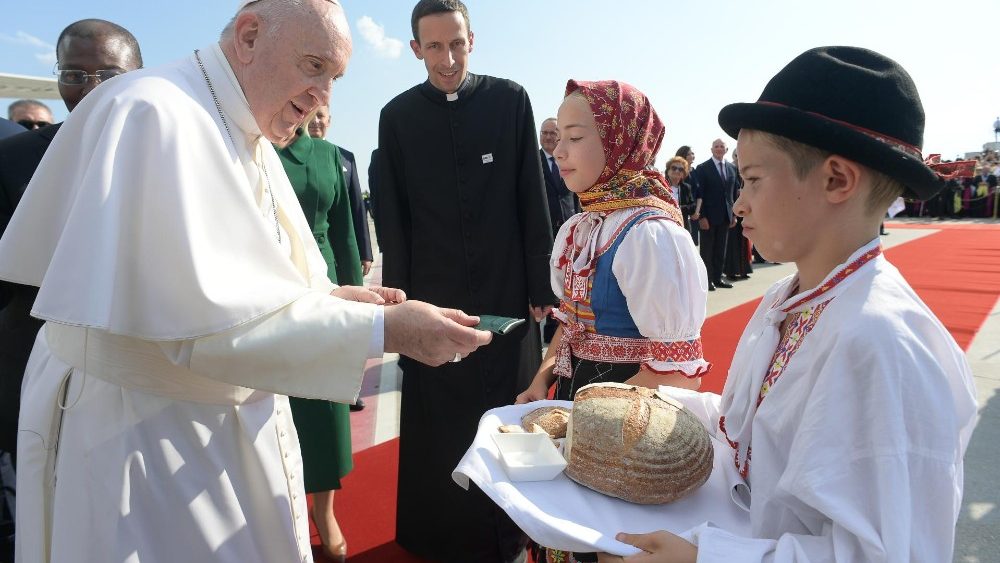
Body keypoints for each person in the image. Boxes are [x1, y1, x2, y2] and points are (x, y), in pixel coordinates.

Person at [0, 1, 494, 561]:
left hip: (205, 427)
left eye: (333, 78)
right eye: (313, 66)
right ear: (250, 35)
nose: (322, 97)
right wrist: (385, 331)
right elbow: (201, 324)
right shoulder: (154, 113)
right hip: (140, 440)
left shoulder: (242, 123)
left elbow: (252, 285)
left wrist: (331, 298)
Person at [598, 46, 977, 563]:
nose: (739, 202)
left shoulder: (882, 344)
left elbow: (889, 553)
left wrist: (702, 557)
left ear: (836, 180)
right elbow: (750, 432)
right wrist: (650, 405)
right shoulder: (788, 298)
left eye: (753, 179)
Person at [375, 0, 556, 560]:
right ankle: (442, 538)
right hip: (433, 299)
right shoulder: (397, 117)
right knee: (442, 426)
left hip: (506, 293)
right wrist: (400, 310)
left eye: (456, 43)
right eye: (434, 46)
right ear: (415, 50)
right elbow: (395, 219)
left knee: (508, 415)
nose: (447, 58)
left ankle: (516, 532)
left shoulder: (510, 101)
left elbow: (532, 195)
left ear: (471, 40)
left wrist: (540, 287)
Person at [515, 80, 710, 563]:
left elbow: (672, 368)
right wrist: (541, 381)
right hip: (584, 405)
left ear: (620, 140)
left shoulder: (650, 234)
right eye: (558, 136)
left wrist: (592, 433)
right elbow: (572, 324)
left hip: (631, 432)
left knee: (606, 543)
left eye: (575, 137)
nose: (559, 150)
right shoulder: (583, 225)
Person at [0, 18, 144, 466]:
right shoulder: (14, 158)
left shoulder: (174, 156)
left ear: (140, 76)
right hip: (41, 369)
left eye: (108, 75)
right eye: (74, 74)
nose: (90, 88)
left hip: (141, 371)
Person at [274, 115, 362, 562]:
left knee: (326, 412)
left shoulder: (331, 155)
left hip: (324, 289)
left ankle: (324, 510)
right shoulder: (252, 145)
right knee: (278, 405)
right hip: (268, 289)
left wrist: (357, 313)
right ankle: (281, 506)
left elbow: (345, 234)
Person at [306, 105, 375, 278]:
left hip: (343, 246)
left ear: (329, 120)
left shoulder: (345, 157)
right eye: (311, 115)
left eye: (320, 116)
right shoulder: (291, 154)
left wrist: (365, 252)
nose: (315, 121)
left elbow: (356, 207)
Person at [540, 116, 579, 344]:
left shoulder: (569, 160)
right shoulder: (532, 160)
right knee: (549, 278)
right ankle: (550, 329)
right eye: (544, 133)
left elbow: (573, 195)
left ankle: (566, 324)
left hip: (568, 230)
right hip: (544, 232)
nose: (548, 137)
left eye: (552, 133)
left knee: (567, 279)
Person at [691, 139, 738, 290]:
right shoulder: (703, 168)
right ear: (711, 149)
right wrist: (702, 216)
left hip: (725, 216)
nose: (719, 149)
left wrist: (734, 215)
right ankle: (707, 280)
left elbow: (733, 194)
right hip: (708, 217)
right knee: (707, 251)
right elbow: (699, 194)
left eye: (721, 146)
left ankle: (718, 278)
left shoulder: (732, 168)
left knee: (720, 250)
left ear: (726, 149)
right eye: (716, 146)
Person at [723, 150, 753, 280]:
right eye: (736, 156)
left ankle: (744, 269)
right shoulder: (730, 169)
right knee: (732, 243)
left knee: (744, 242)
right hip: (734, 209)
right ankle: (731, 271)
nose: (738, 158)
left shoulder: (748, 169)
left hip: (745, 209)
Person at [665, 155, 696, 236]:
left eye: (681, 169)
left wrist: (681, 207)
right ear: (668, 170)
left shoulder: (686, 188)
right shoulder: (661, 186)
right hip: (665, 226)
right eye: (674, 168)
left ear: (683, 174)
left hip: (683, 227)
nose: (677, 171)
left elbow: (692, 208)